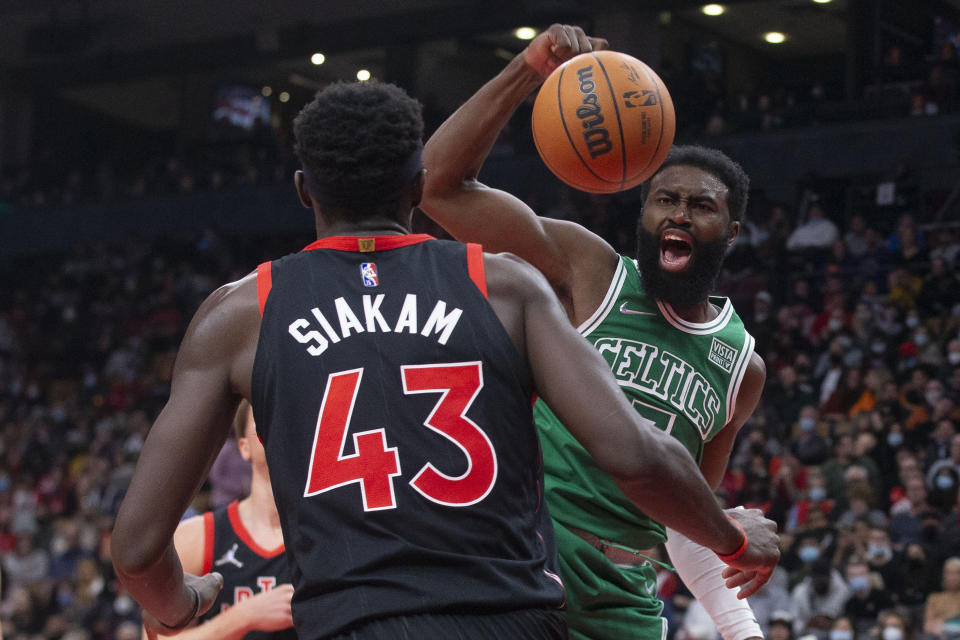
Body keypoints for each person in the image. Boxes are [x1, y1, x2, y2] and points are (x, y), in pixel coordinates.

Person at [111, 80, 780, 640]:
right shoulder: (505, 285)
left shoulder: (240, 313)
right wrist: (733, 537)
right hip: (509, 612)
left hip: (353, 620)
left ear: (303, 189)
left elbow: (137, 551)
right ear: (416, 185)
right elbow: (636, 457)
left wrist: (183, 603)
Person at [419, 23, 768, 640]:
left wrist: (742, 628)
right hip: (528, 560)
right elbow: (438, 185)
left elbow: (680, 516)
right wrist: (528, 68)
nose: (678, 213)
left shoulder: (742, 366)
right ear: (644, 211)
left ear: (732, 231)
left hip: (625, 600)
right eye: (664, 200)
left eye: (702, 205)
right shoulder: (590, 271)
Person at [143, 400, 295, 639]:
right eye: (265, 419)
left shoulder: (332, 535)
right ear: (243, 447)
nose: (278, 427)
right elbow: (155, 638)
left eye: (289, 419)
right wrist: (242, 618)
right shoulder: (196, 537)